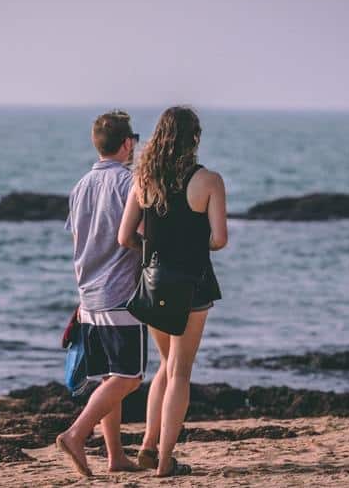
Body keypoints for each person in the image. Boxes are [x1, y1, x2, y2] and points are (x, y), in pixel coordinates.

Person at [118, 106, 228, 477]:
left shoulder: (143, 180)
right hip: (193, 284)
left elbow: (124, 237)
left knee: (163, 366)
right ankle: (165, 462)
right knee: (180, 372)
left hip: (154, 282)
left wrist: (152, 254)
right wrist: (197, 245)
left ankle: (148, 445)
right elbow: (219, 239)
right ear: (193, 138)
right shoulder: (208, 180)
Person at [56, 110, 147, 477]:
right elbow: (139, 235)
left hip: (88, 294)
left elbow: (80, 242)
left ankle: (115, 457)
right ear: (127, 144)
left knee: (111, 377)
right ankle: (76, 434)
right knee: (130, 378)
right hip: (120, 293)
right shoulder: (130, 184)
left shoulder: (80, 186)